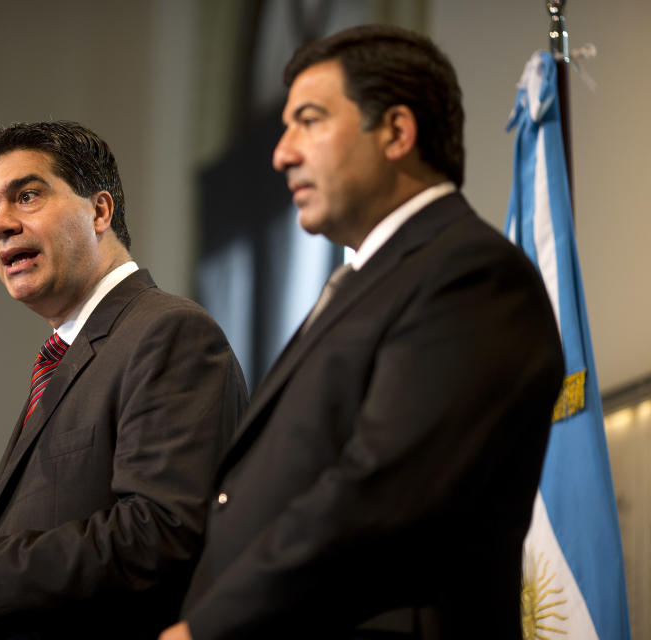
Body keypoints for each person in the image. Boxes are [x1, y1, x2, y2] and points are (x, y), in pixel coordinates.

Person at [160, 25, 565, 640]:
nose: (282, 152)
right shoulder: (367, 282)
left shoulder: (471, 276)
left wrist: (208, 628)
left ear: (397, 132)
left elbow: (383, 494)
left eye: (310, 120)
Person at [0, 121, 248, 639]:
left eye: (26, 196)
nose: (0, 225)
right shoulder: (67, 357)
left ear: (100, 211)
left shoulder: (168, 332)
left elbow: (163, 532)